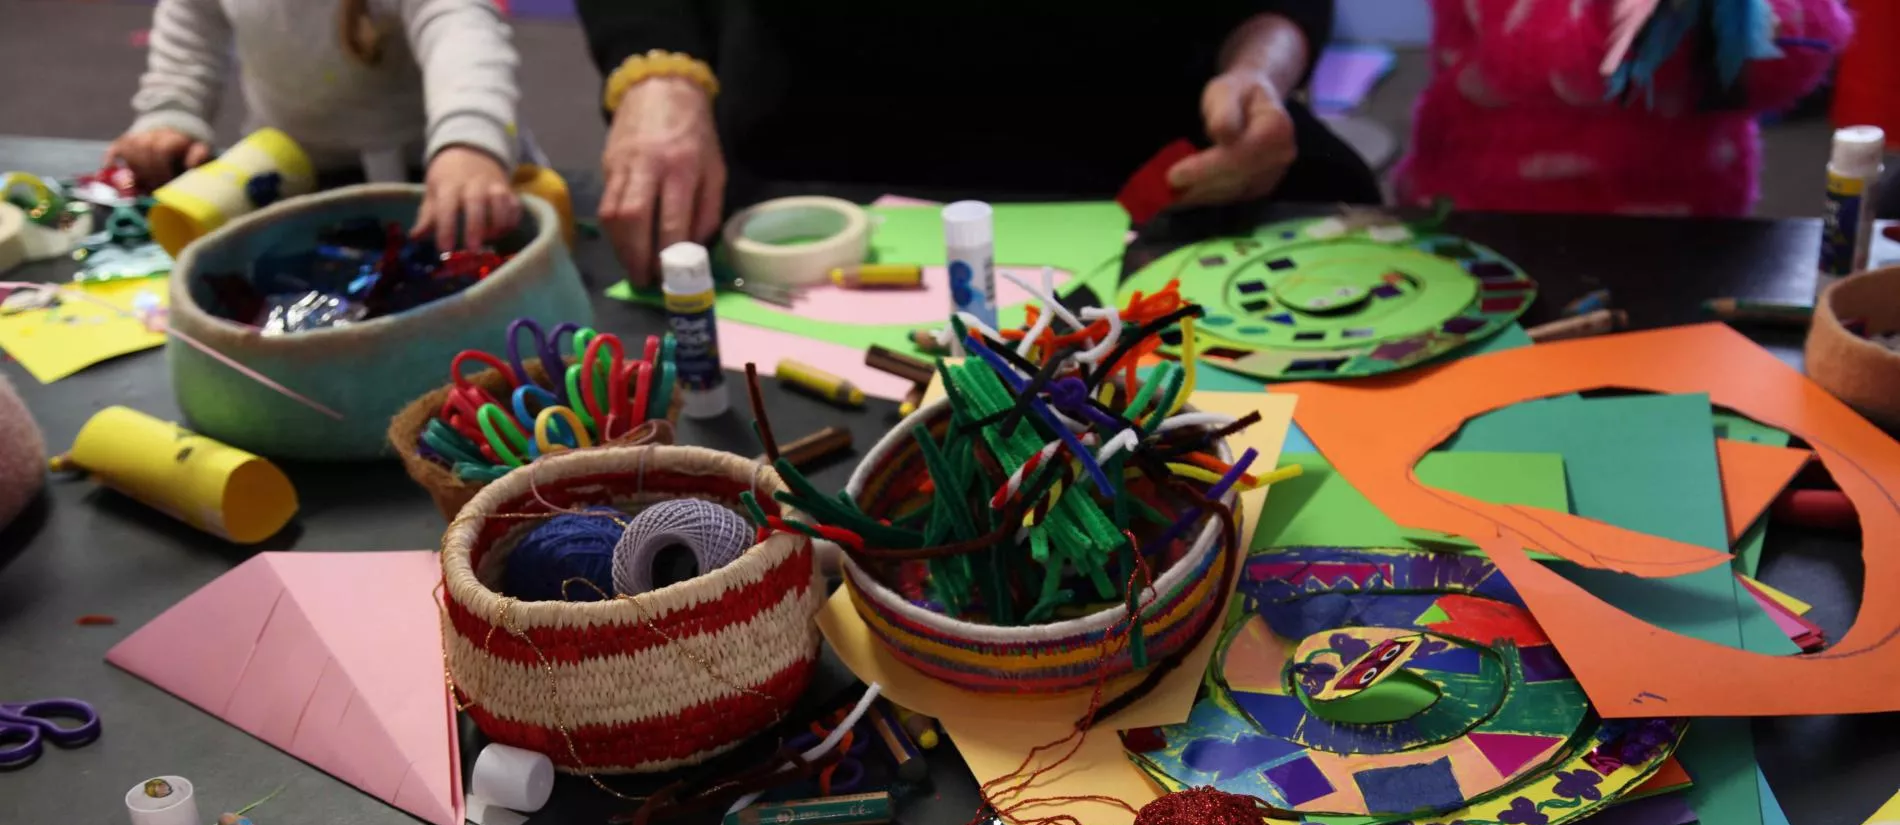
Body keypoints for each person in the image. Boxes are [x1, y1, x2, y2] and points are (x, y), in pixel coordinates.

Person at [574, 3, 1383, 285]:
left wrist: (1259, 74)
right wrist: (659, 75)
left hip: (1133, 152)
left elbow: (1277, 5)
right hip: (812, 139)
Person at [108, 0, 523, 249]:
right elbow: (189, 30)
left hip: (433, 189)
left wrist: (469, 141)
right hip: (288, 177)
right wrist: (171, 113)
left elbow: (460, 30)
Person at [1393, 0, 1851, 216]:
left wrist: (1746, 20)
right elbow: (1541, 56)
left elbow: (1801, 50)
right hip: (1496, 210)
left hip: (1689, 219)